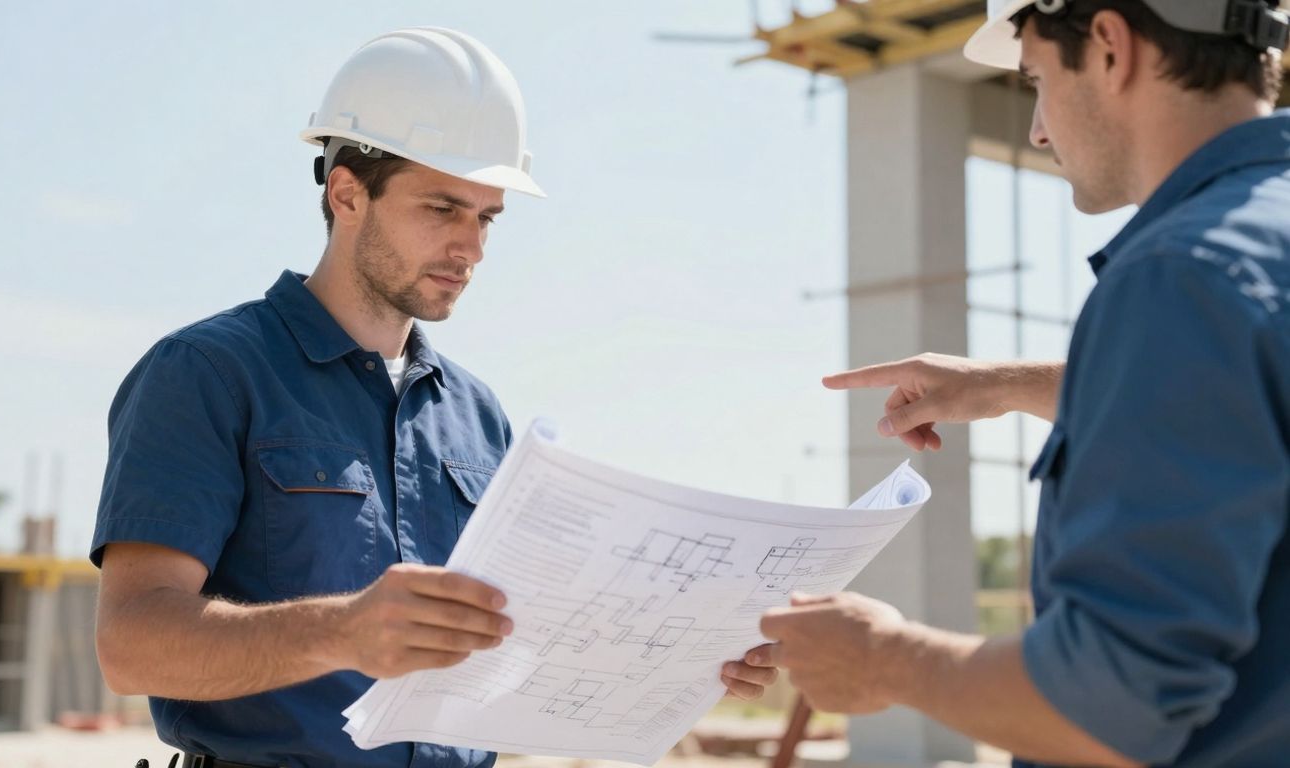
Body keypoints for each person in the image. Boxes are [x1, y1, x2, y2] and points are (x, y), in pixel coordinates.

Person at [92, 28, 776, 768]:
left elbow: (514, 649)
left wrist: (683, 660)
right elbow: (131, 646)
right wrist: (341, 632)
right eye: (443, 208)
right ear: (347, 194)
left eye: (486, 217)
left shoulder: (477, 416)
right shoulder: (209, 373)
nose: (471, 248)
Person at [760, 1, 1290, 766]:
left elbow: (1112, 705)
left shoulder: (1183, 277)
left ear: (1109, 46)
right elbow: (1246, 399)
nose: (1037, 130)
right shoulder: (1251, 256)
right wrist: (1016, 385)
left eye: (1036, 79)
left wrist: (882, 660)